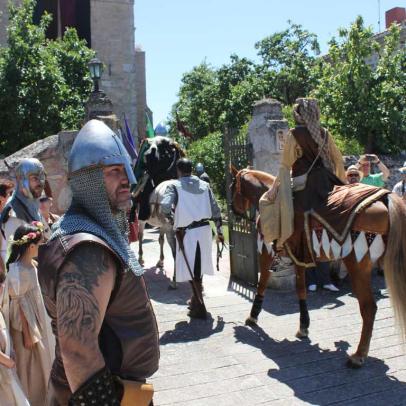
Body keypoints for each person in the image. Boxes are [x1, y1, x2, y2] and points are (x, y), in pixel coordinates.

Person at [38, 119, 159, 405]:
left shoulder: (85, 231)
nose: (126, 179)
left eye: (124, 169)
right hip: (101, 394)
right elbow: (77, 349)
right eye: (114, 171)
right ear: (87, 179)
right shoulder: (88, 250)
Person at [259, 97, 389, 268]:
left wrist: (275, 188)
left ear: (299, 115)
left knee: (284, 209)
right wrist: (342, 184)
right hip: (327, 181)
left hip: (305, 185)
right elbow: (337, 161)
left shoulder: (295, 134)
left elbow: (285, 165)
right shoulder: (325, 133)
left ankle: (284, 251)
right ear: (316, 113)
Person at [161, 158, 223, 319]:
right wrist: (220, 230)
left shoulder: (174, 186)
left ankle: (199, 304)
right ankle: (196, 301)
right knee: (198, 267)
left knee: (191, 268)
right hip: (204, 230)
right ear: (192, 170)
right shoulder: (205, 185)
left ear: (179, 171)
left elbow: (165, 206)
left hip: (187, 232)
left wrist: (173, 219)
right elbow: (216, 209)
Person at [5, 222, 54, 405]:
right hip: (28, 330)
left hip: (38, 323)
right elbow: (18, 306)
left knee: (42, 366)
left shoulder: (32, 264)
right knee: (30, 368)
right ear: (31, 246)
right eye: (40, 244)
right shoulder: (18, 271)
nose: (41, 248)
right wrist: (27, 334)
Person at [0, 159, 51, 275]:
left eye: (42, 177)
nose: (40, 182)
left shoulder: (32, 205)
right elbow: (16, 261)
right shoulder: (13, 214)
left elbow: (48, 237)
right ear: (21, 180)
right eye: (34, 178)